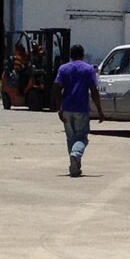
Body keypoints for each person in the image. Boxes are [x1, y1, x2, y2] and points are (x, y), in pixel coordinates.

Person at [52, 44, 104, 178]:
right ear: (82, 54)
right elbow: (94, 90)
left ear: (70, 55)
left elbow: (57, 87)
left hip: (67, 108)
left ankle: (75, 166)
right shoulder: (88, 69)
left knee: (71, 138)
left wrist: (59, 108)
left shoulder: (63, 69)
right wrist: (99, 110)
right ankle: (75, 156)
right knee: (81, 137)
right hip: (81, 108)